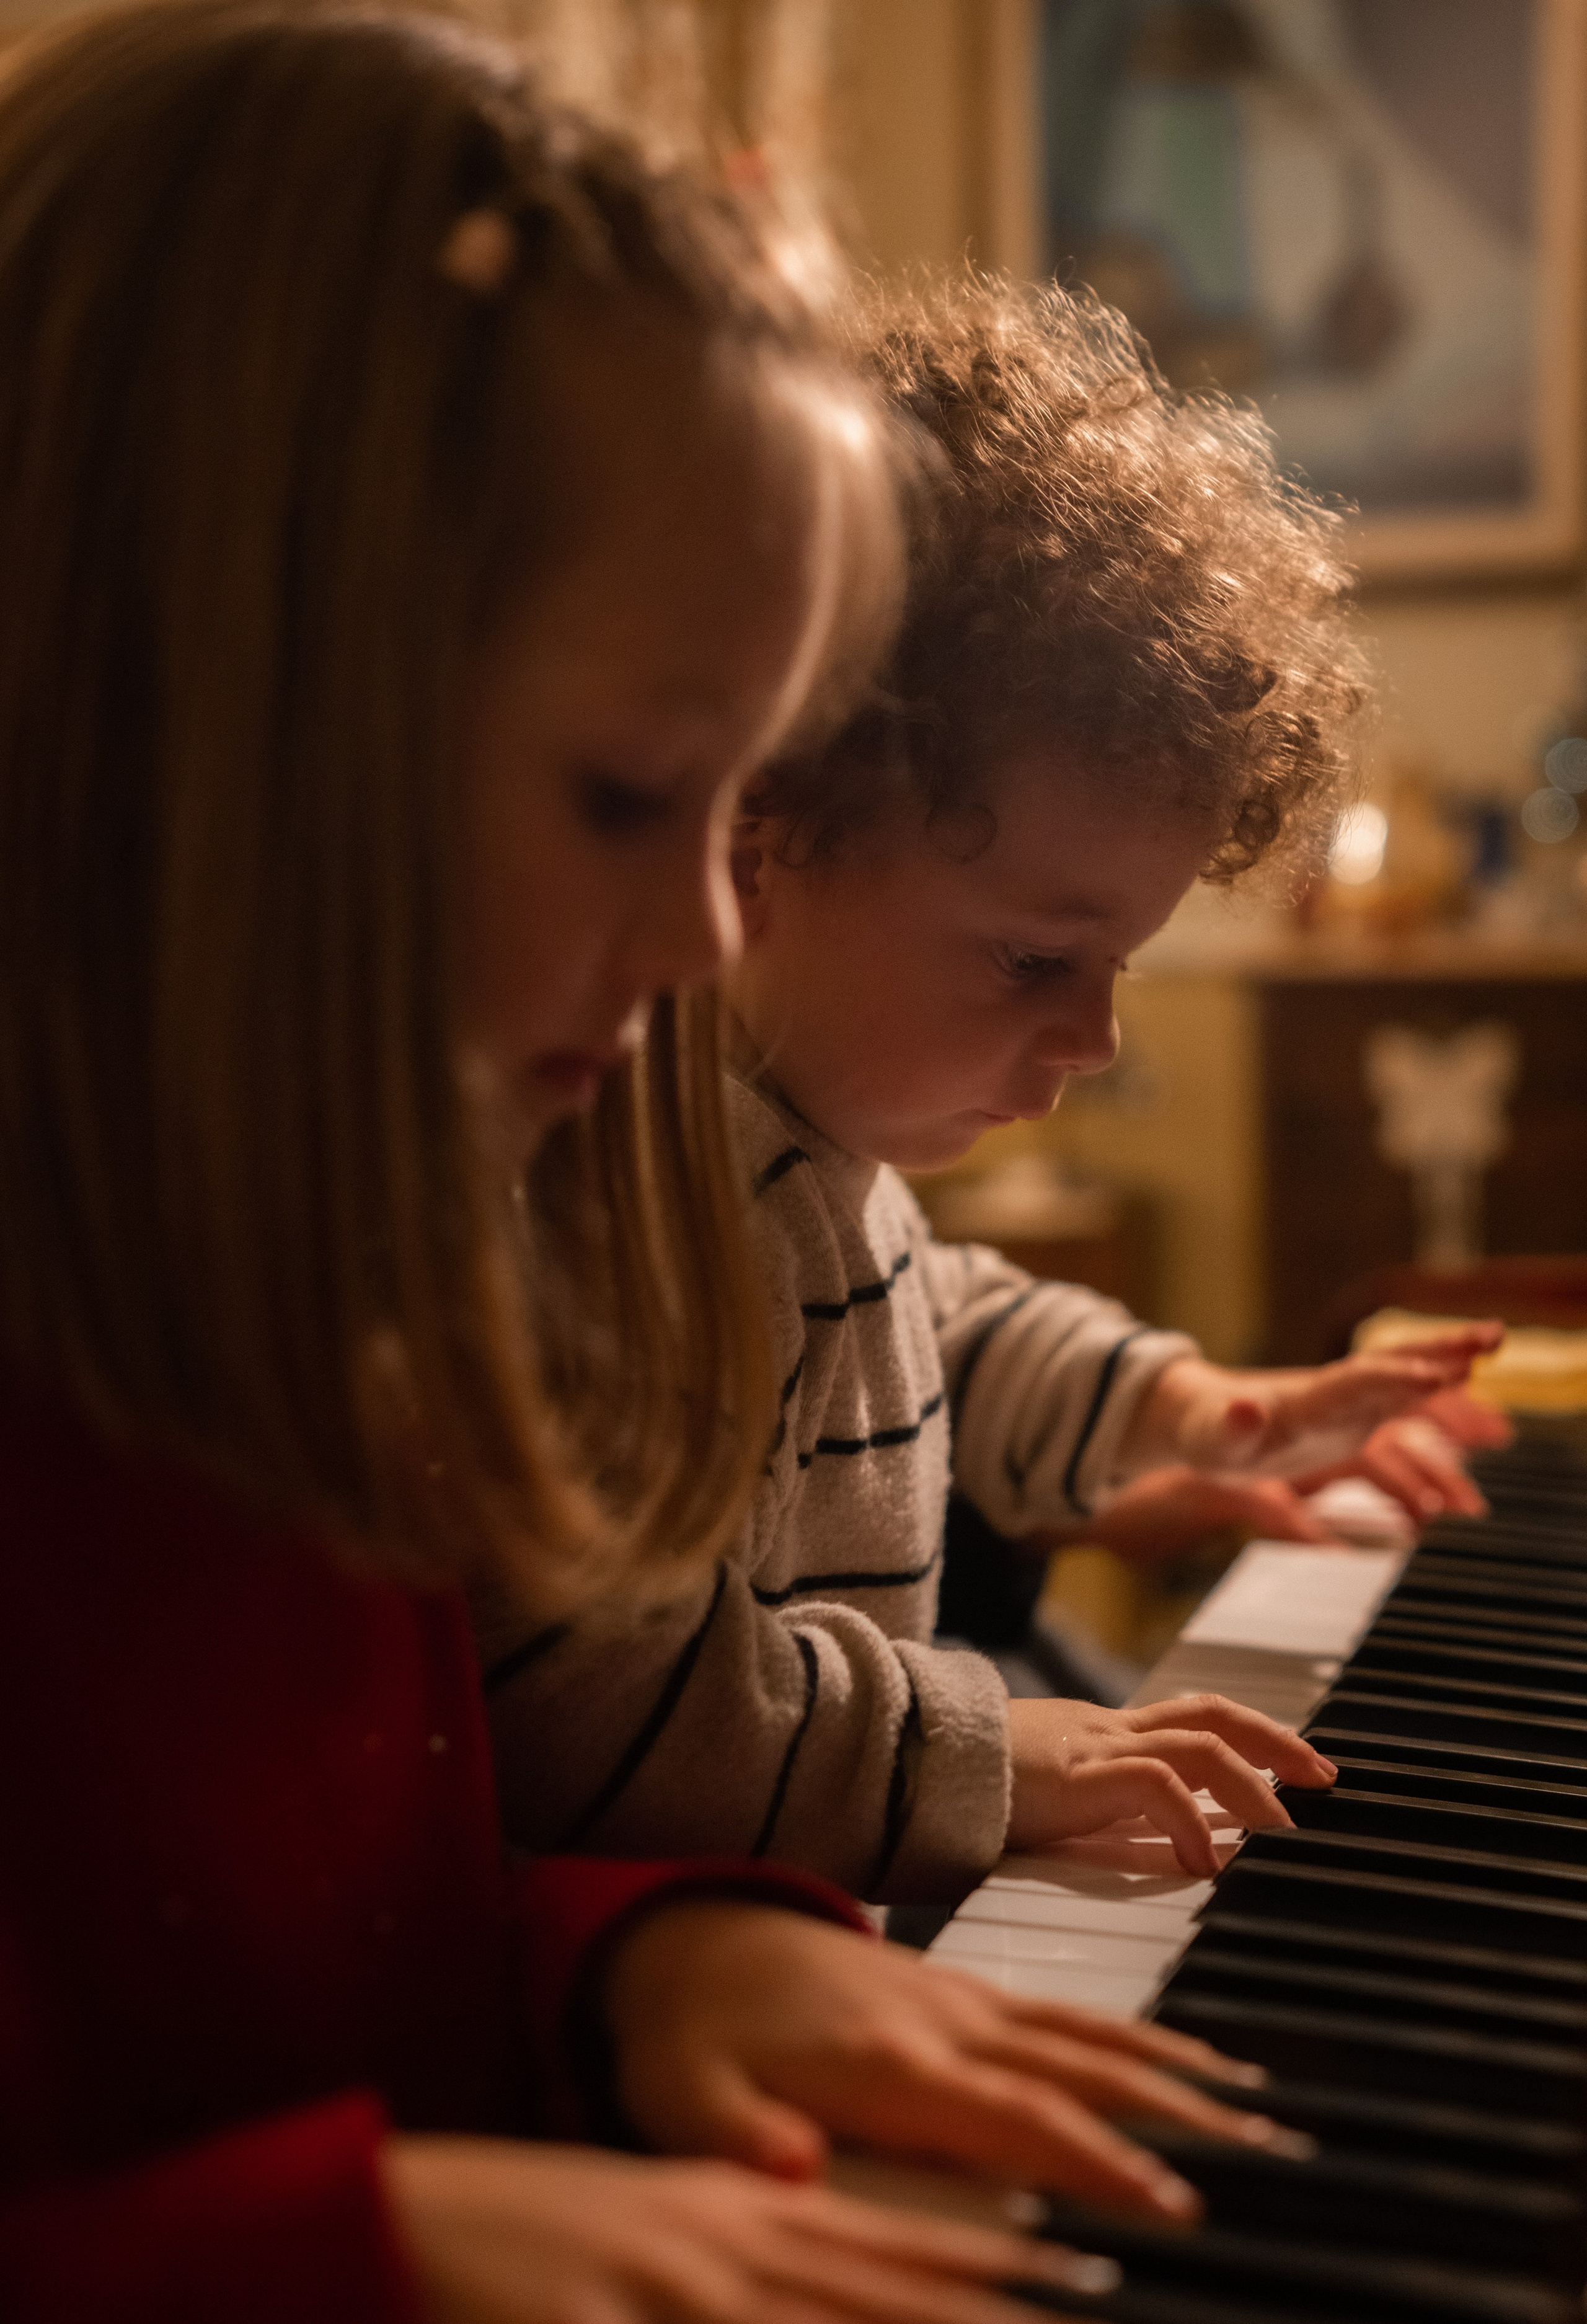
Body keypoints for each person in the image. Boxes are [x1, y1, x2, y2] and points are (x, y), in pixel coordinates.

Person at [0, 20, 1299, 2322]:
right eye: (632, 794)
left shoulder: (330, 1294)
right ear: (191, 693)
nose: (713, 926)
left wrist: (653, 1956)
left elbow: (427, 1866)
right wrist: (365, 2232)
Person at [484, 269, 1500, 1906]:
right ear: (772, 829)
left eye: (1120, 967)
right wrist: (995, 1742)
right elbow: (602, 1710)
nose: (1092, 1037)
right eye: (1036, 960)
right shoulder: (652, 1196)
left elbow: (929, 1311)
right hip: (700, 1969)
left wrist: (1178, 1405)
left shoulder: (805, 1158)